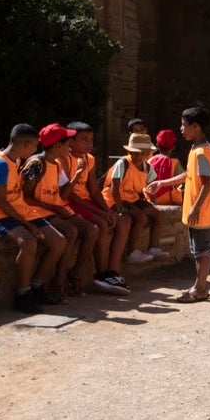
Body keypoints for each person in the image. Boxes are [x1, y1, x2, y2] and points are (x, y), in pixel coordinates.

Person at [0, 123, 65, 314]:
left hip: (19, 210)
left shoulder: (15, 161)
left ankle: (37, 285)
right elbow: (1, 202)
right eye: (34, 146)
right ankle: (23, 293)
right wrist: (27, 225)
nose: (35, 150)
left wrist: (28, 220)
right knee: (29, 242)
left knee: (59, 242)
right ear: (26, 145)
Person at [151, 106, 210, 304]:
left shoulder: (200, 152)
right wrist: (163, 183)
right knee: (199, 250)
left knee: (202, 251)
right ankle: (200, 286)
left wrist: (195, 207)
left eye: (184, 125)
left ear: (196, 127)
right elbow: (190, 175)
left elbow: (207, 182)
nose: (181, 129)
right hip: (200, 210)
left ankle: (200, 288)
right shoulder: (196, 150)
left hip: (202, 211)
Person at [23, 124, 92, 299]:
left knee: (80, 230)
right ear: (57, 146)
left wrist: (76, 175)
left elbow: (63, 193)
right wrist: (54, 208)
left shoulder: (56, 165)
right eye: (68, 143)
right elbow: (25, 197)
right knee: (69, 232)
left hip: (52, 211)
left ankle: (59, 280)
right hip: (37, 212)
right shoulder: (36, 164)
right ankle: (49, 282)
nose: (70, 147)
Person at [65, 121, 130, 294]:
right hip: (71, 203)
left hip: (86, 201)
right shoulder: (64, 158)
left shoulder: (89, 159)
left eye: (91, 139)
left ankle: (111, 271)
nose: (90, 143)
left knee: (120, 220)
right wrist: (100, 212)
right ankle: (100, 274)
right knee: (101, 225)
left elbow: (94, 189)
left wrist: (107, 210)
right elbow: (69, 195)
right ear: (71, 141)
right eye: (84, 139)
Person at [105, 133, 164, 263]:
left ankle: (153, 247)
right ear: (128, 151)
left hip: (131, 197)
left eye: (141, 153)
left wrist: (152, 201)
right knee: (141, 217)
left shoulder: (147, 167)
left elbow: (150, 186)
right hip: (115, 197)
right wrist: (120, 207)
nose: (137, 156)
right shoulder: (123, 163)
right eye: (134, 152)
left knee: (158, 215)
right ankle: (132, 252)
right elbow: (114, 188)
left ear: (147, 153)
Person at [149, 129, 184, 205]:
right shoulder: (175, 162)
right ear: (173, 147)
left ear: (157, 146)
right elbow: (181, 182)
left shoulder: (149, 161)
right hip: (170, 201)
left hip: (152, 201)